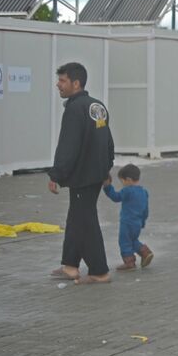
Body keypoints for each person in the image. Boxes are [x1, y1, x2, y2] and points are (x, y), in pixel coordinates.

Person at [48, 62, 115, 284]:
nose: (58, 84)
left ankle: (99, 271)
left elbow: (68, 146)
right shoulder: (97, 106)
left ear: (76, 83)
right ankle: (70, 266)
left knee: (85, 220)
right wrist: (106, 168)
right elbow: (107, 141)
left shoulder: (75, 109)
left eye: (63, 80)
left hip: (82, 175)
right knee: (77, 217)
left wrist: (56, 174)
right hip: (95, 174)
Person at [103, 163, 152, 272]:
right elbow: (146, 210)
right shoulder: (144, 192)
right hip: (138, 223)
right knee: (133, 240)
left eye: (122, 181)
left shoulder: (127, 190)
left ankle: (129, 262)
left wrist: (107, 187)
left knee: (124, 241)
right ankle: (145, 252)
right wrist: (143, 222)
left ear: (128, 179)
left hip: (127, 223)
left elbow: (116, 197)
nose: (122, 184)